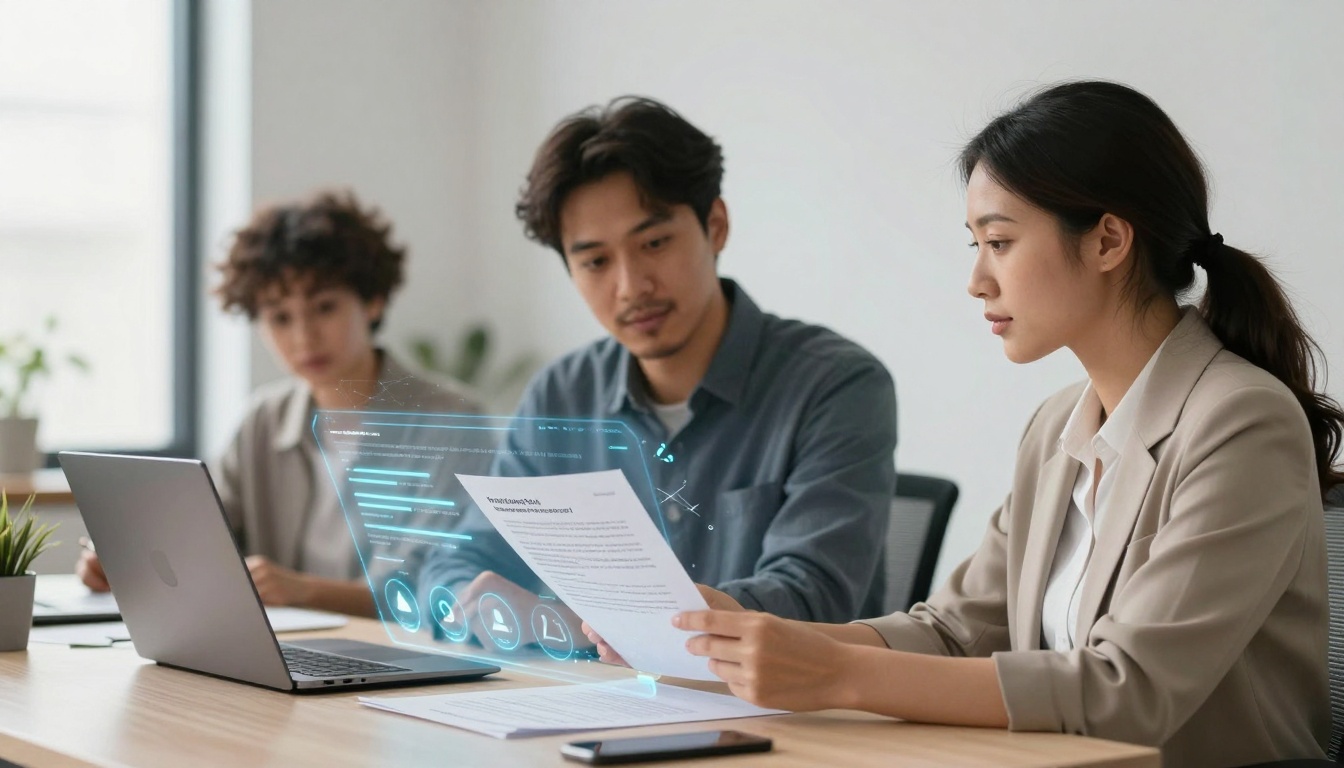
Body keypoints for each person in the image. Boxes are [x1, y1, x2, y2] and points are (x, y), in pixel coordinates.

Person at [592, 81, 1344, 767]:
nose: (977, 279)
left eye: (1001, 242)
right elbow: (955, 631)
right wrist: (747, 640)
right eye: (976, 244)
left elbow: (1129, 690)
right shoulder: (1057, 429)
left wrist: (839, 674)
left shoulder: (1242, 422)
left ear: (1110, 241)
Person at [418, 97, 896, 649]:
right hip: (591, 709)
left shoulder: (835, 386)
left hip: (786, 718)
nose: (631, 285)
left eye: (654, 243)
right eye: (596, 261)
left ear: (715, 226)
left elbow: (814, 597)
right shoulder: (561, 396)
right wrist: (476, 601)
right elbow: (459, 562)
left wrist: (594, 626)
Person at [77, 190, 480, 616]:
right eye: (279, 317)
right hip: (282, 658)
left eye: (324, 307)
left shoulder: (452, 422)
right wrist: (126, 564)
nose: (304, 337)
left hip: (402, 664)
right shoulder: (263, 422)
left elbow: (423, 593)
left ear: (372, 301)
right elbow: (199, 539)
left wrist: (303, 591)